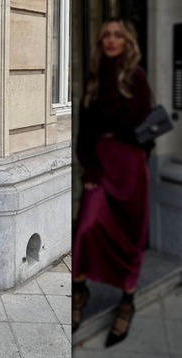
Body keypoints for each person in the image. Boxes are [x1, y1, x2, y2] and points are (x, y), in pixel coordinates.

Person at [71, 18, 153, 347]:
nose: (111, 40)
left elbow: (139, 127)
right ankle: (79, 289)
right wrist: (89, 165)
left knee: (130, 236)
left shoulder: (136, 77)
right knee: (87, 227)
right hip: (100, 168)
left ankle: (127, 300)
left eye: (118, 35)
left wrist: (112, 131)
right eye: (106, 35)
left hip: (131, 169)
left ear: (127, 42)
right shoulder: (94, 80)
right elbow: (85, 131)